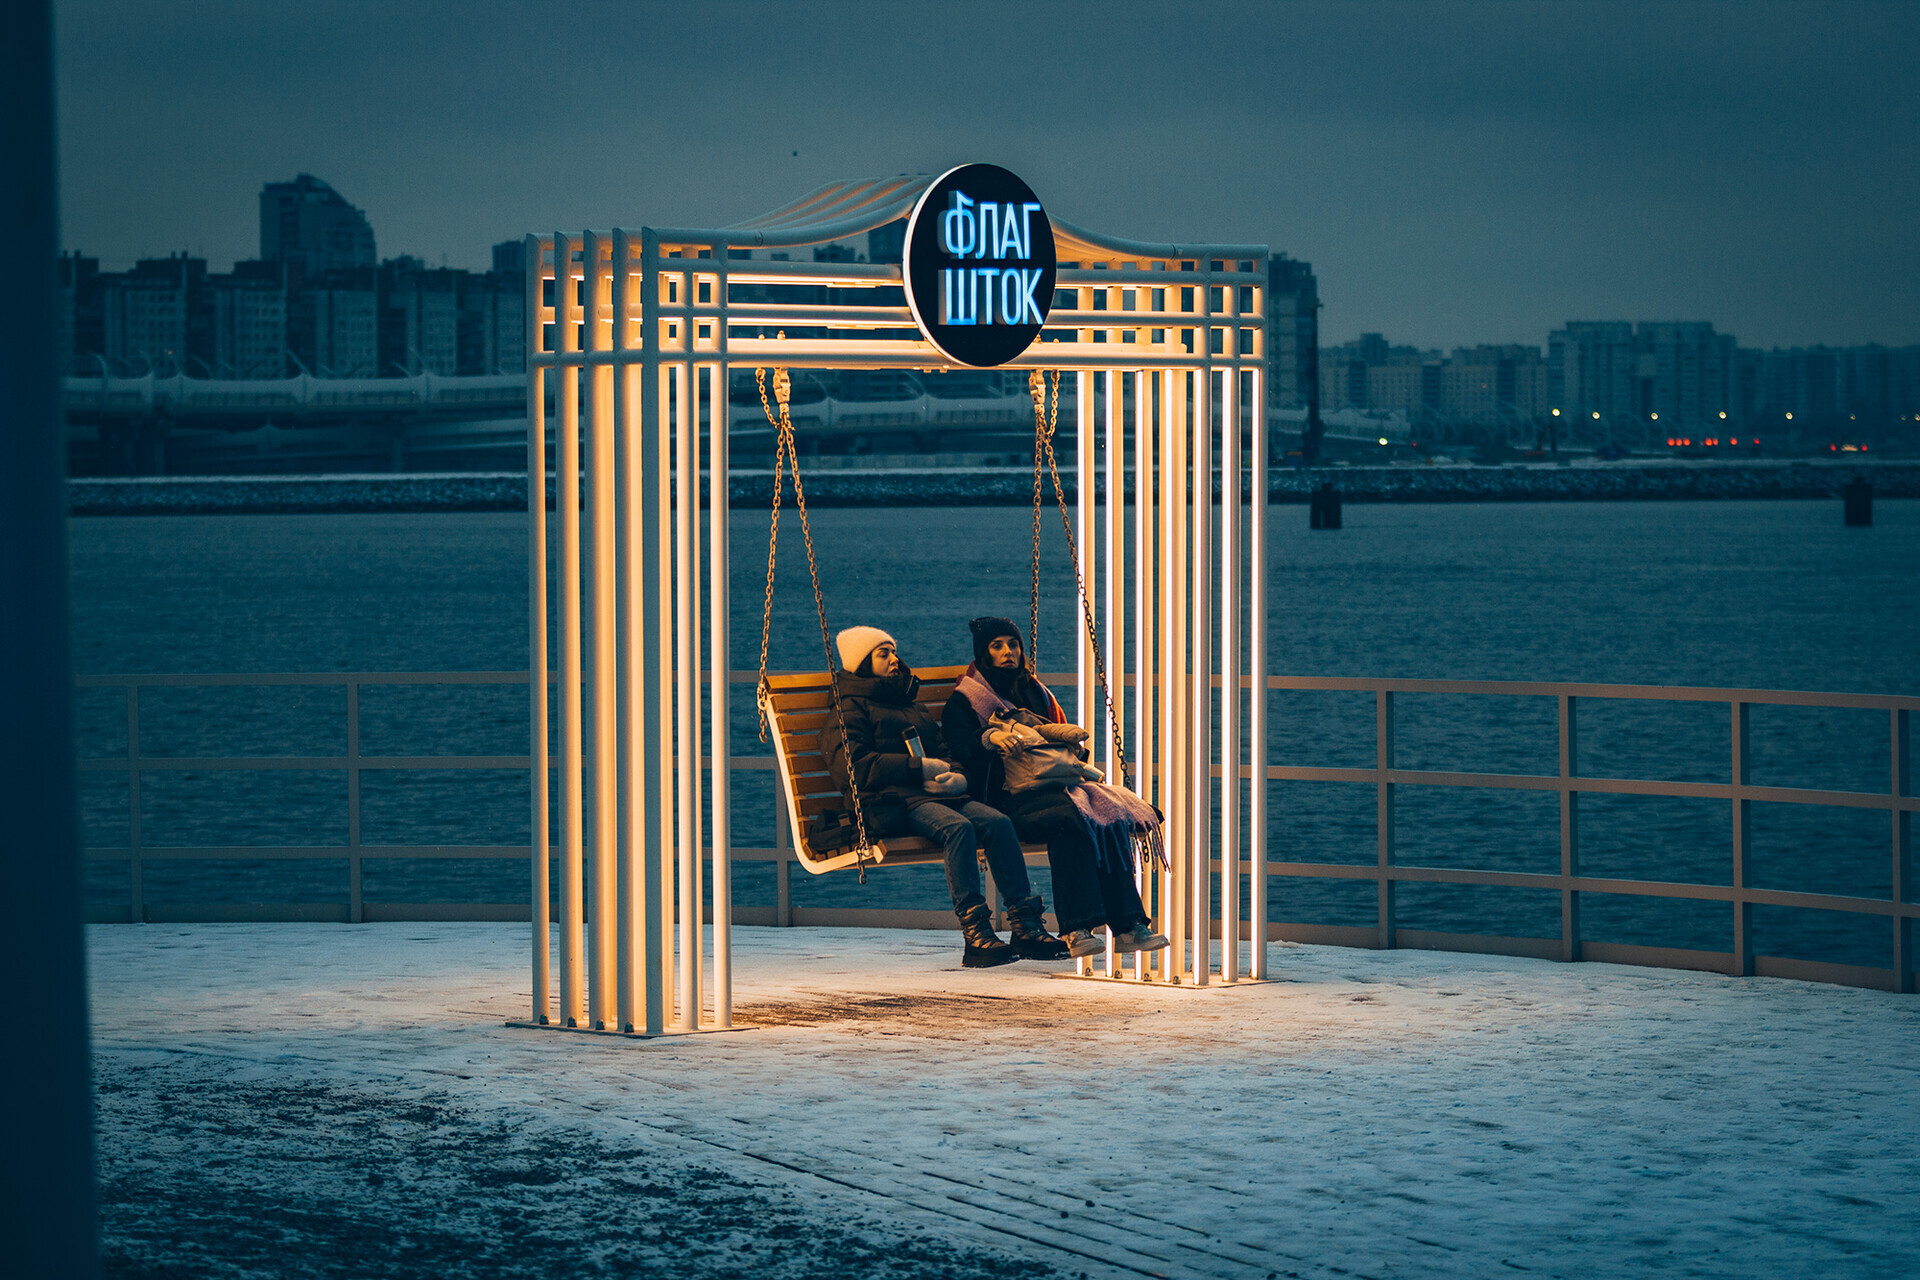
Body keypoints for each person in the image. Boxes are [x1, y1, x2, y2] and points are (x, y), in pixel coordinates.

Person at [819, 625, 1071, 967]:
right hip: (895, 801)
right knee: (958, 829)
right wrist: (917, 768)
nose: (894, 659)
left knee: (998, 823)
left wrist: (955, 776)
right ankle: (976, 932)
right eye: (883, 654)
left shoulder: (906, 701)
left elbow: (942, 748)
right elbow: (855, 767)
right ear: (862, 663)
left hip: (938, 794)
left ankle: (1024, 923)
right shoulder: (848, 709)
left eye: (893, 651)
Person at [943, 617, 1169, 959]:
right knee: (1072, 819)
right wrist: (991, 740)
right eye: (998, 646)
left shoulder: (1032, 690)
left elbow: (1056, 739)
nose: (1008, 652)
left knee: (1104, 816)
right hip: (1002, 797)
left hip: (1051, 788)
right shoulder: (966, 701)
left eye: (1013, 645)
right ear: (983, 653)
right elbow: (960, 749)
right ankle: (1077, 929)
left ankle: (1128, 926)